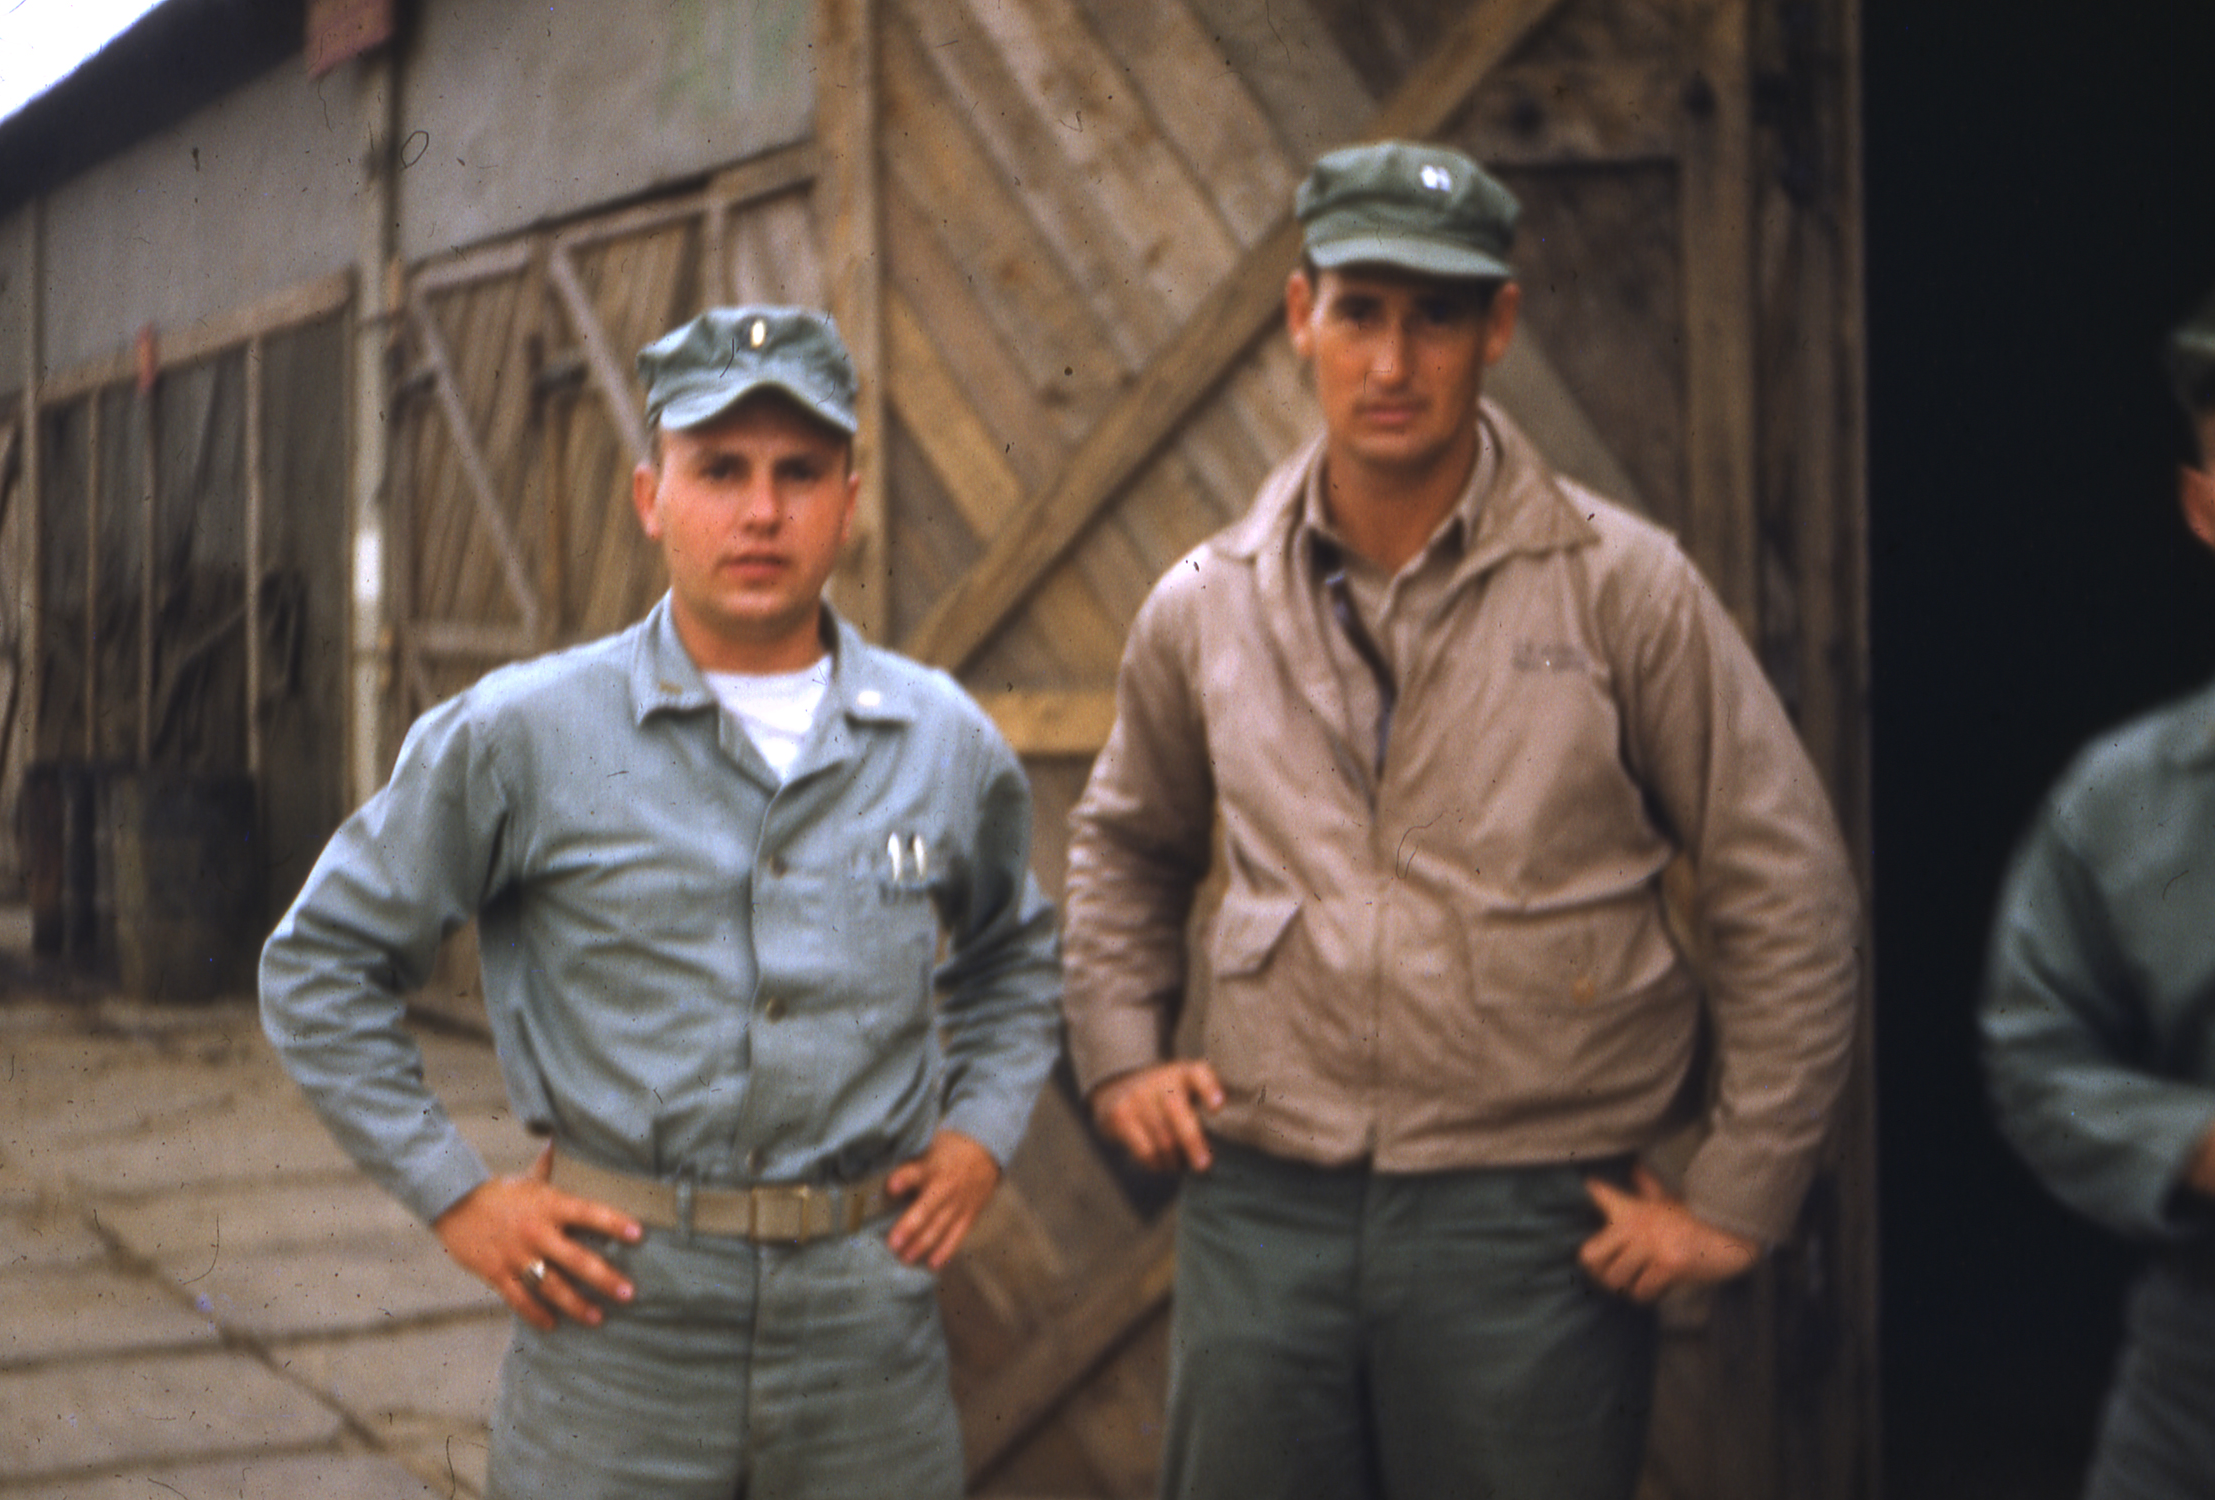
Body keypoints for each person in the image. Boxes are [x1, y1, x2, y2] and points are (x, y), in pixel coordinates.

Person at [1061, 140, 1861, 1499]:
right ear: (1298, 315)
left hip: (1527, 1213)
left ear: (1497, 326)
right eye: (1361, 311)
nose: (1392, 362)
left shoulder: (1621, 588)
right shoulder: (1204, 602)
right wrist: (1118, 1050)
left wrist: (1738, 1195)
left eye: (1435, 316)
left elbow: (1780, 883)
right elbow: (1127, 844)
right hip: (1267, 1200)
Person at [259, 306, 1061, 1499]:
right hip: (618, 1320)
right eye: (718, 470)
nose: (759, 511)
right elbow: (320, 963)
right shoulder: (524, 734)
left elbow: (1012, 959)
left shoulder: (940, 740)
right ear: (650, 496)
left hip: (864, 1328)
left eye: (799, 474)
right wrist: (458, 1198)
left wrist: (980, 1135)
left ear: (850, 499)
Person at [1981, 284, 2215, 1500]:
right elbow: (2032, 1057)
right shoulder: (2119, 799)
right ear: (2202, 505)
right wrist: (2192, 1144)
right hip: (2193, 1368)